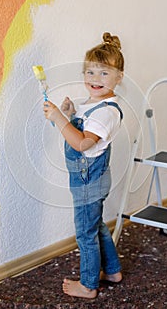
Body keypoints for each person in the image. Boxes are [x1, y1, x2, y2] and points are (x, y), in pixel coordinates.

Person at [43, 32, 124, 299]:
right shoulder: (93, 104)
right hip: (89, 179)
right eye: (90, 72)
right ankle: (112, 271)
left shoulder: (106, 112)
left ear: (119, 77)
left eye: (104, 73)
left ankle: (88, 285)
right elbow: (80, 129)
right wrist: (68, 114)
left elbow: (82, 144)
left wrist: (58, 119)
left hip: (89, 181)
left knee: (85, 234)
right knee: (96, 225)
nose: (94, 79)